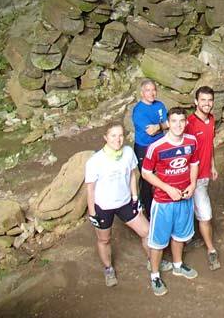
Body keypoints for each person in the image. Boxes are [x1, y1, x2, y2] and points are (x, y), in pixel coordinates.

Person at [85, 123, 170, 287]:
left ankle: (152, 259)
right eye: (113, 135)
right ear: (105, 137)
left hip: (125, 202)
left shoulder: (128, 152)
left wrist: (135, 197)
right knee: (104, 239)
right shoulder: (95, 161)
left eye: (120, 135)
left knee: (147, 231)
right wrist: (92, 213)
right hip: (103, 206)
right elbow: (90, 190)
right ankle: (108, 269)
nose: (118, 139)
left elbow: (132, 176)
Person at [141, 107, 200, 296]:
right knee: (158, 241)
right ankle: (155, 275)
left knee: (179, 236)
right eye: (173, 121)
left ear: (186, 122)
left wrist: (192, 184)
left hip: (184, 198)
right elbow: (145, 172)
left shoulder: (192, 141)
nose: (178, 125)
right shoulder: (157, 147)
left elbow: (194, 164)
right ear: (168, 123)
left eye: (181, 121)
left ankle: (177, 265)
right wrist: (167, 189)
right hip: (164, 201)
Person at [185, 86, 221, 271]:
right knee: (205, 214)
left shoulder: (211, 119)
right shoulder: (189, 123)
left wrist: (213, 165)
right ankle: (210, 249)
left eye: (210, 100)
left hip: (205, 173)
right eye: (203, 100)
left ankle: (193, 238)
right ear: (196, 102)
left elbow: (210, 144)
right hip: (191, 178)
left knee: (197, 208)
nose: (207, 104)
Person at [131, 79, 167, 218]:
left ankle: (162, 203)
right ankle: (148, 210)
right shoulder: (138, 111)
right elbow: (150, 131)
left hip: (159, 146)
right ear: (142, 93)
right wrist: (162, 126)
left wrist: (159, 126)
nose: (151, 93)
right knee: (147, 178)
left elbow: (168, 123)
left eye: (153, 90)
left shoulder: (160, 105)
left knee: (162, 174)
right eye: (148, 90)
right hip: (144, 148)